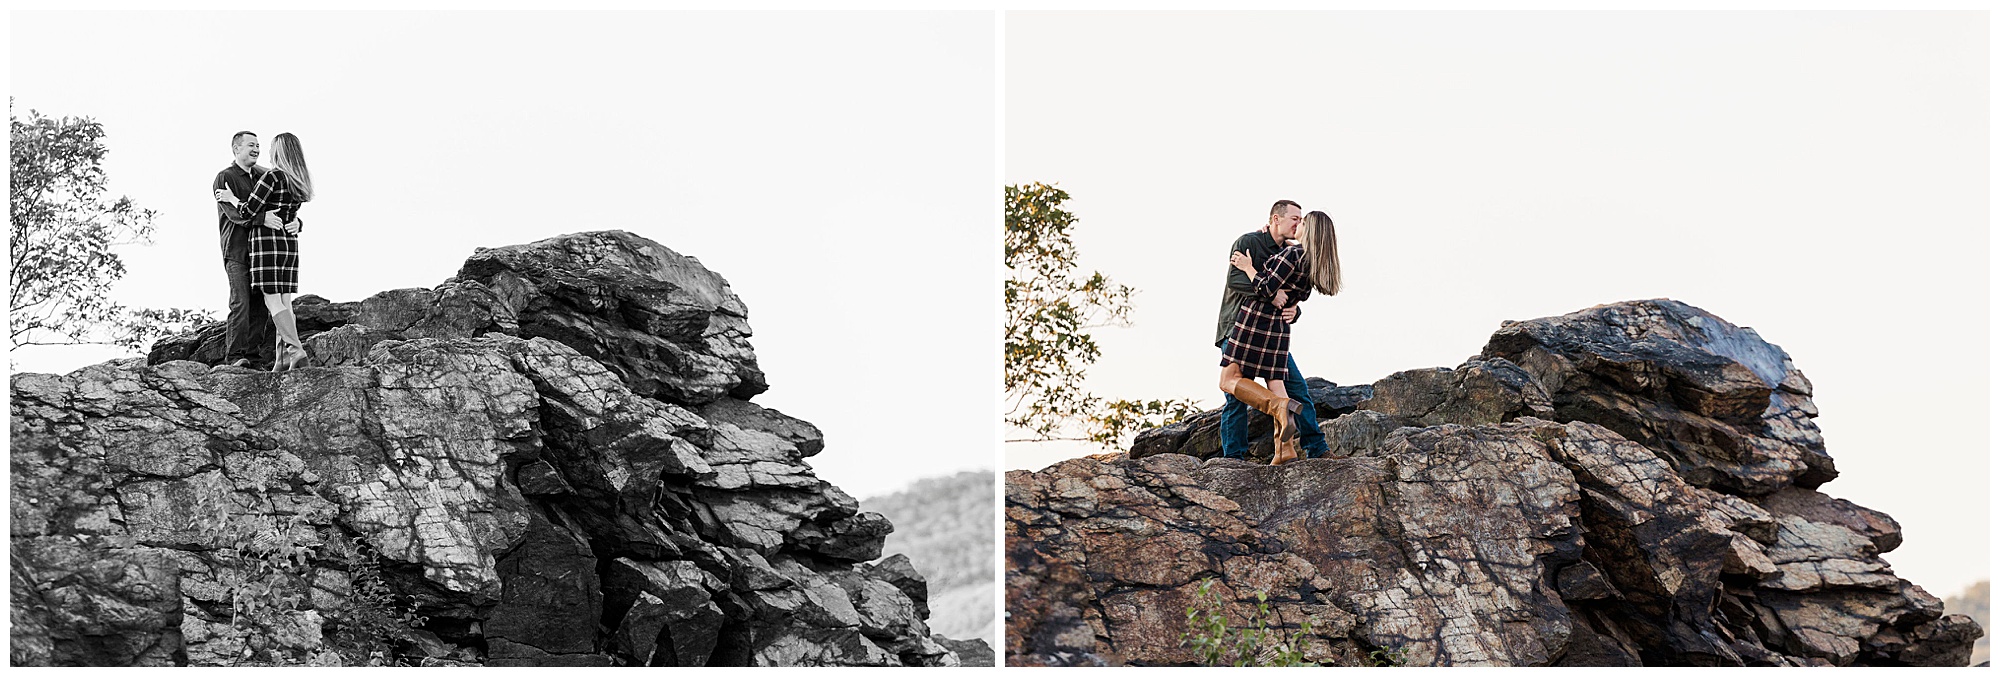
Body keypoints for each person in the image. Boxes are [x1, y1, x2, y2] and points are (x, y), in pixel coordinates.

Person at [1216, 207, 1343, 464]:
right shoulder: (1308, 258)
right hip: (1276, 331)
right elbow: (1241, 283)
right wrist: (1288, 304)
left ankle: (1243, 448)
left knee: (1230, 383)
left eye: (1302, 221)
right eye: (1294, 219)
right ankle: (1285, 451)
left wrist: (1250, 268)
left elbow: (1265, 286)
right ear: (1277, 219)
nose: (1298, 225)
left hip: (1254, 324)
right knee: (1278, 383)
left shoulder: (1293, 252)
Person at [214, 132, 310, 371]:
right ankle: (236, 356)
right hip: (238, 249)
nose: (257, 149)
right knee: (242, 303)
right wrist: (262, 218)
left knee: (263, 305)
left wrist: (298, 223)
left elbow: (283, 207)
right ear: (236, 149)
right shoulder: (224, 177)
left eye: (259, 145)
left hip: (266, 248)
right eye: (251, 145)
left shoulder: (266, 175)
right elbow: (236, 215)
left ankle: (260, 357)